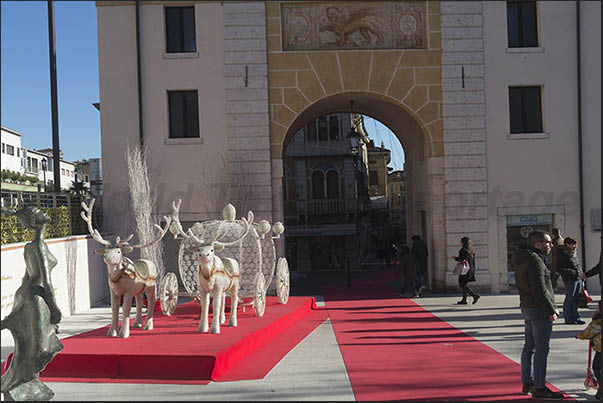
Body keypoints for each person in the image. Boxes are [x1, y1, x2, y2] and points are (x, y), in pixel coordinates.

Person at [512, 230, 564, 399]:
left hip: (527, 307)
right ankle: (539, 387)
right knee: (542, 350)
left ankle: (527, 381)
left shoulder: (521, 258)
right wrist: (550, 310)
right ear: (538, 244)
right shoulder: (535, 260)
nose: (551, 245)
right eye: (548, 242)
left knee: (529, 347)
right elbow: (539, 289)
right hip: (539, 309)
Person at [575, 300, 601, 400]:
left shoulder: (597, 322)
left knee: (597, 367)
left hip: (600, 349)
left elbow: (588, 333)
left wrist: (579, 336)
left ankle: (601, 384)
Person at [556, 237, 586, 325]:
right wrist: (572, 272)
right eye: (572, 244)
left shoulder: (574, 254)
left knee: (576, 299)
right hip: (569, 280)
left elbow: (578, 266)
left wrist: (582, 277)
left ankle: (576, 317)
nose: (575, 246)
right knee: (569, 299)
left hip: (578, 279)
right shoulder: (563, 255)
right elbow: (559, 268)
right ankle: (568, 318)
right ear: (567, 245)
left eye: (575, 244)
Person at [452, 237, 480, 305]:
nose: (460, 243)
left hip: (465, 270)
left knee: (461, 284)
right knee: (464, 284)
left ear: (463, 243)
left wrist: (456, 258)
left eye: (461, 242)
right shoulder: (471, 250)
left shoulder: (463, 250)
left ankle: (474, 295)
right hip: (470, 269)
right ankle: (464, 300)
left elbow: (463, 259)